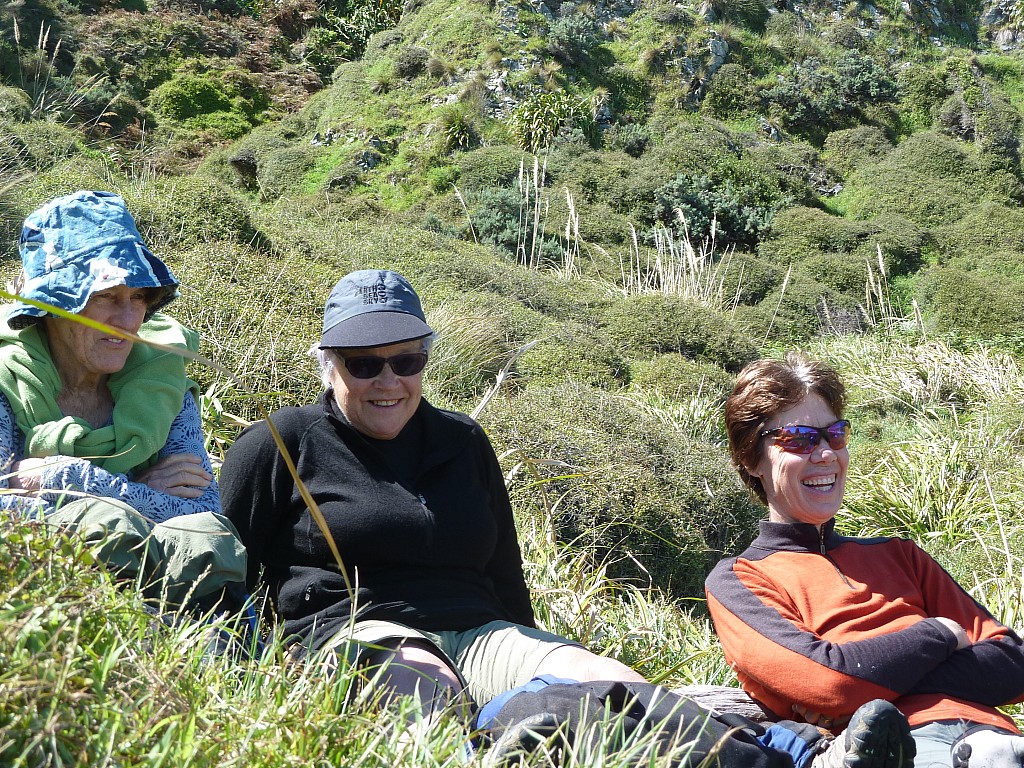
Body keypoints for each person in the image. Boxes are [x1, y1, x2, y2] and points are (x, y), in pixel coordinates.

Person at [220, 270, 912, 768]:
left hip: (481, 630)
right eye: (363, 363)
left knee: (610, 681)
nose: (388, 380)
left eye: (406, 358)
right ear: (328, 362)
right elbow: (227, 579)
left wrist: (537, 651)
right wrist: (248, 676)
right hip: (359, 629)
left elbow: (502, 572)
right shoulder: (278, 445)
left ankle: (787, 756)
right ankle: (500, 741)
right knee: (424, 692)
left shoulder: (462, 442)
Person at [705, 352, 1024, 768]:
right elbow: (829, 682)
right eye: (799, 438)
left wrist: (866, 683)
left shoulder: (901, 555)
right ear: (751, 459)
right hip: (890, 748)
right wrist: (943, 633)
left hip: (996, 736)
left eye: (835, 435)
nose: (824, 454)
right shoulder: (740, 580)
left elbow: (1013, 661)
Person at [0, 190, 245, 610]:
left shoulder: (159, 382)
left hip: (174, 604)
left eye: (138, 298)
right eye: (106, 297)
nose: (129, 321)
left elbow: (206, 514)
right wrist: (143, 494)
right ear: (55, 306)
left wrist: (70, 477)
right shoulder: (10, 381)